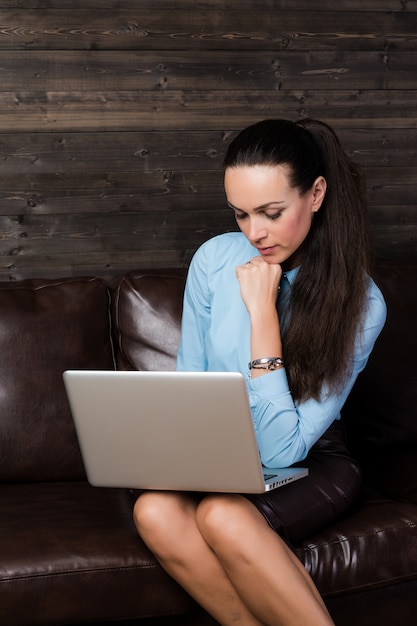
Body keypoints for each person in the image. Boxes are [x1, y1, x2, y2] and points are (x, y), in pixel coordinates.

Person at [133, 118, 387, 625]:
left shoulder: (361, 302)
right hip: (221, 452)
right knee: (154, 510)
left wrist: (262, 313)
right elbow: (192, 388)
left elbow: (280, 449)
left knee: (223, 514)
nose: (255, 233)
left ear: (316, 194)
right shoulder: (213, 260)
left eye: (272, 213)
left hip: (311, 461)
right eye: (241, 214)